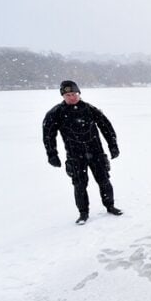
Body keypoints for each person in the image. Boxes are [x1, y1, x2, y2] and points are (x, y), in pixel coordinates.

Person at [42, 80, 123, 225]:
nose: (71, 97)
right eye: (68, 95)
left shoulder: (90, 109)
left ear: (79, 93)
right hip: (75, 156)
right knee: (79, 185)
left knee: (104, 181)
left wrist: (113, 146)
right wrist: (52, 154)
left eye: (74, 94)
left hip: (96, 153)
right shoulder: (56, 113)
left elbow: (107, 127)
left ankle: (110, 206)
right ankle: (83, 213)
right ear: (63, 96)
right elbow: (48, 135)